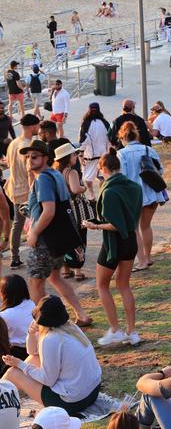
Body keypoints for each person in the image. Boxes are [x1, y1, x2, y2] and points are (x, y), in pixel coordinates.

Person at [20, 140, 93, 326]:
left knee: (36, 283)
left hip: (46, 239)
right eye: (27, 157)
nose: (29, 160)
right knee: (55, 277)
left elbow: (49, 210)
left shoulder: (44, 178)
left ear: (46, 158)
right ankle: (81, 315)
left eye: (34, 157)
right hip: (59, 238)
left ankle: (48, 323)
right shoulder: (54, 174)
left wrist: (34, 232)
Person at [82, 149, 142, 346]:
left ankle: (115, 329)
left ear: (103, 169)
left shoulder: (108, 192)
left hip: (113, 244)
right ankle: (132, 332)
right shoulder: (134, 186)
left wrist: (95, 225)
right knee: (124, 285)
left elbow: (115, 225)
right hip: (131, 240)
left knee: (102, 285)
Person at [2, 295, 101, 412]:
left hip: (72, 401)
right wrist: (31, 333)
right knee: (34, 358)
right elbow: (32, 352)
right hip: (93, 391)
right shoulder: (72, 327)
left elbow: (48, 380)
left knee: (13, 372)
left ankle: (2, 400)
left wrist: (20, 364)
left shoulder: (50, 339)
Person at [116, 122, 165, 272]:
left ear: (123, 137)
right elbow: (160, 170)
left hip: (133, 195)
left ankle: (142, 260)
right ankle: (148, 258)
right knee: (146, 226)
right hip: (152, 193)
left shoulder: (121, 154)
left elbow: (121, 176)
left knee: (134, 229)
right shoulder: (148, 149)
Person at [4, 114, 39, 270]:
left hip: (13, 188)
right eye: (37, 125)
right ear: (32, 126)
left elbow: (8, 163)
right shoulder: (28, 146)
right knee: (35, 224)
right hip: (26, 190)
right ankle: (37, 256)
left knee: (17, 225)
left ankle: (15, 257)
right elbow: (31, 173)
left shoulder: (13, 143)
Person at [52, 143, 88, 282]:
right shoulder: (71, 172)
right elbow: (75, 189)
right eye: (74, 154)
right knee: (78, 237)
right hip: (74, 210)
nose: (76, 156)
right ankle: (78, 271)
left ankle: (65, 270)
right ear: (67, 157)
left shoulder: (55, 172)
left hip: (59, 209)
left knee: (64, 239)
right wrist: (83, 188)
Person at [78, 102, 110, 201]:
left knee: (87, 178)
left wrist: (81, 153)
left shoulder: (85, 123)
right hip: (103, 154)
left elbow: (83, 140)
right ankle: (102, 195)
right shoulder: (105, 122)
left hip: (90, 155)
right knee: (102, 177)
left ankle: (92, 195)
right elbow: (110, 138)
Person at [0, 275, 35, 360]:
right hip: (35, 346)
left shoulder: (4, 316)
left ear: (3, 293)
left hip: (17, 352)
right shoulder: (31, 304)